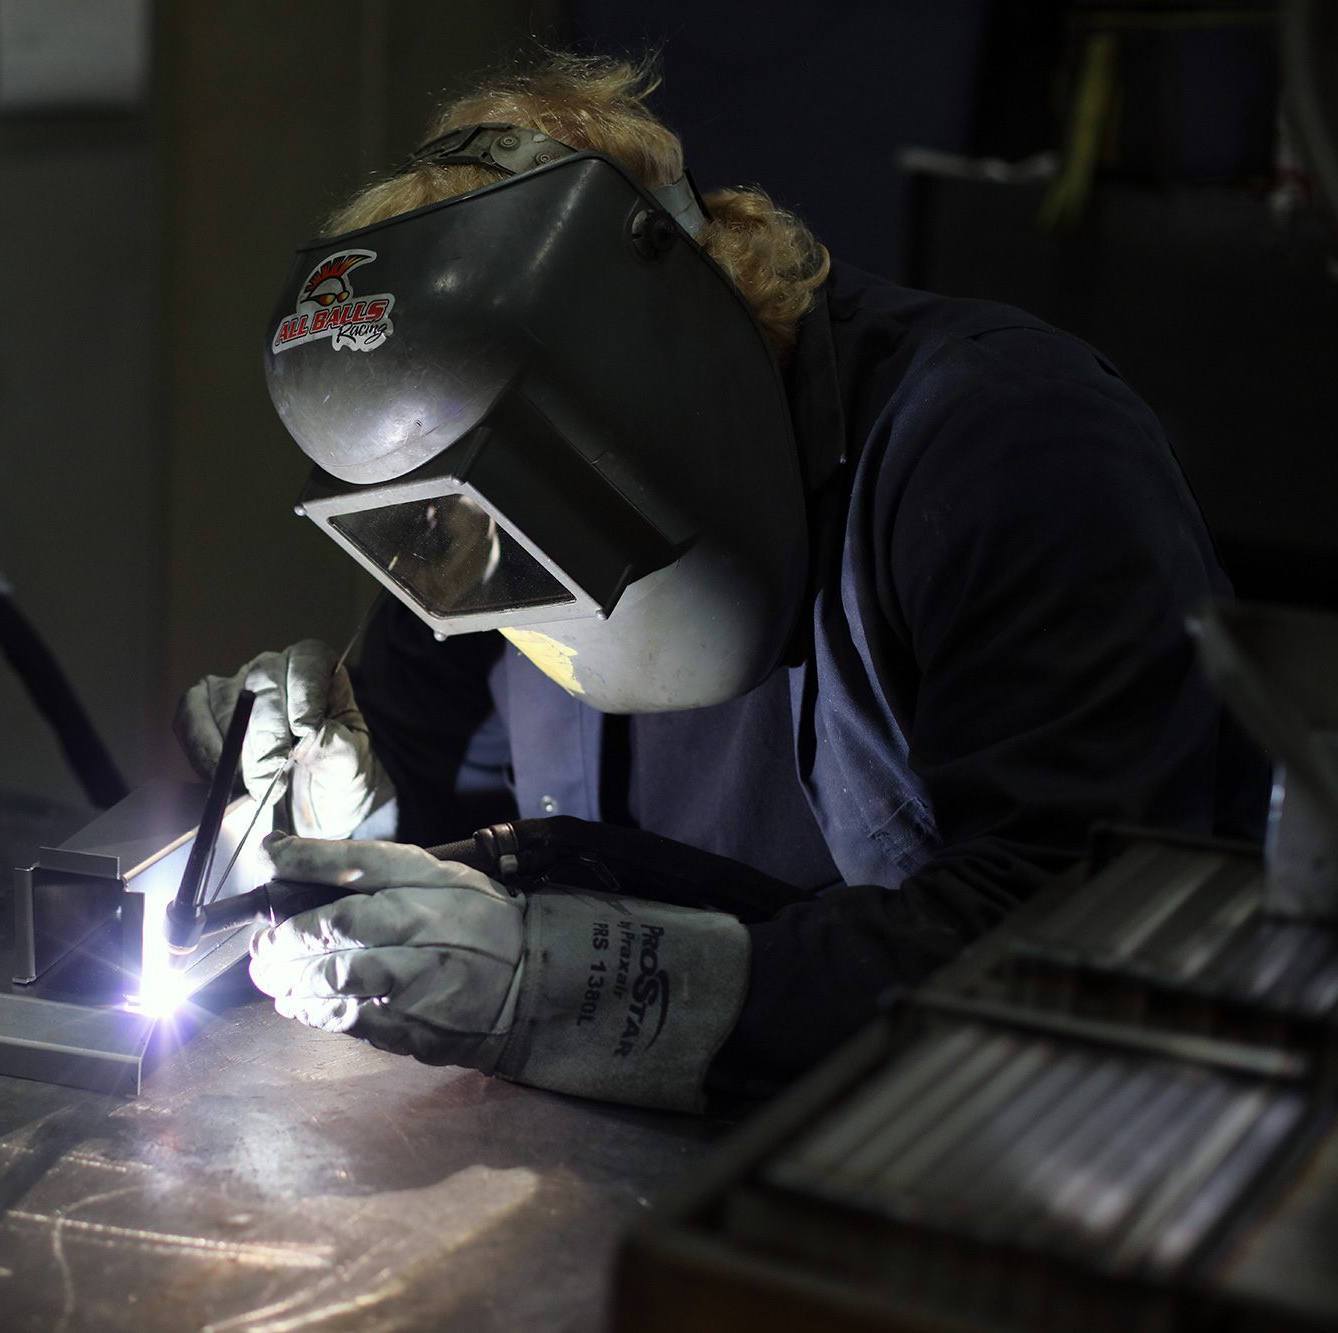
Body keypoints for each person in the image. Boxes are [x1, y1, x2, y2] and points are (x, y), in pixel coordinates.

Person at [177, 54, 1264, 1112]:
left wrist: (581, 987)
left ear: (659, 371)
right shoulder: (473, 495)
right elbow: (437, 764)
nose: (489, 569)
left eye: (519, 495)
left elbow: (1070, 936)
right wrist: (350, 821)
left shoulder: (1006, 442)